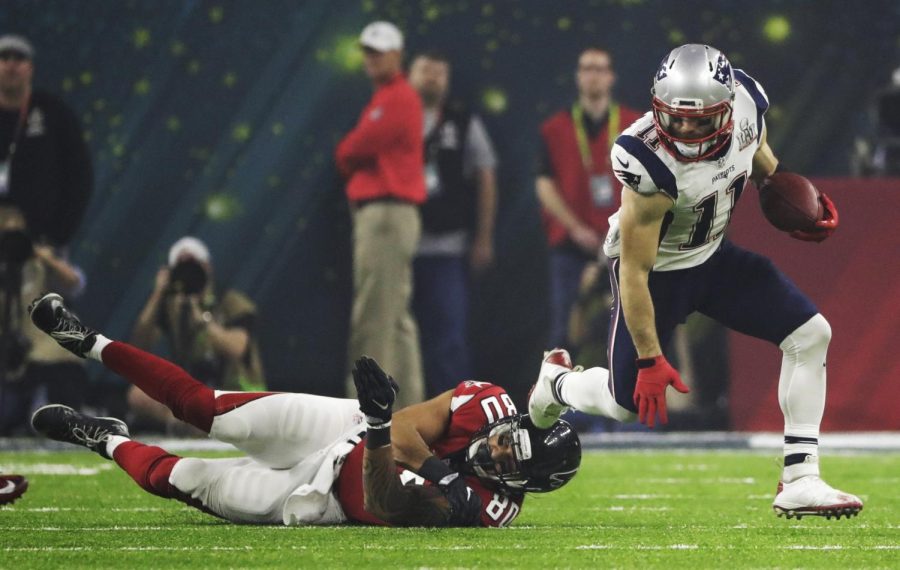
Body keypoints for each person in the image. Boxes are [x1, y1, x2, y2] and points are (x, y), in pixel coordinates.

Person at [528, 44, 862, 519]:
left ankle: (800, 478)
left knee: (811, 335)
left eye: (700, 119)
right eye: (675, 118)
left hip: (713, 259)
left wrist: (783, 189)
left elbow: (758, 150)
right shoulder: (645, 159)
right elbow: (635, 272)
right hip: (658, 277)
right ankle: (556, 383)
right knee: (625, 405)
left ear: (726, 108)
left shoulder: (747, 102)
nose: (685, 129)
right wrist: (649, 358)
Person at [28, 292, 581, 527]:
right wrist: (390, 433)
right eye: (512, 438)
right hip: (352, 427)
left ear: (520, 486)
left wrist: (396, 443)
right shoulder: (488, 404)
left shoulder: (486, 508)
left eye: (511, 462)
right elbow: (407, 430)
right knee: (209, 410)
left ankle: (103, 438)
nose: (500, 449)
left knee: (182, 478)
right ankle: (90, 341)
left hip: (325, 498)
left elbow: (386, 500)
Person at [335, 21, 425, 408]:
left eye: (379, 51)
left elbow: (351, 151)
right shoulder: (388, 97)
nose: (371, 58)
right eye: (367, 51)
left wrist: (347, 155)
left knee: (373, 319)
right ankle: (409, 412)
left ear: (398, 55)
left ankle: (364, 414)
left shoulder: (397, 98)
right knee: (396, 321)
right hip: (393, 216)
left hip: (386, 216)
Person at [536, 47, 642, 352]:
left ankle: (634, 397)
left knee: (634, 324)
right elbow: (544, 184)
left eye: (600, 69)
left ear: (611, 77)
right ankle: (559, 395)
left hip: (625, 242)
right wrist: (574, 228)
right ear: (578, 77)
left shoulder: (635, 126)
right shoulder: (554, 128)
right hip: (571, 243)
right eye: (587, 69)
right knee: (563, 329)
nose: (593, 75)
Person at [407, 50, 498, 396]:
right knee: (398, 335)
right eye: (425, 69)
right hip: (400, 244)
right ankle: (395, 413)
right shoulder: (392, 117)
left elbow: (486, 175)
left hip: (448, 247)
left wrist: (484, 238)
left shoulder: (463, 122)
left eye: (439, 72)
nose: (432, 77)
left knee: (449, 336)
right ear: (410, 74)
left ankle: (455, 411)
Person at [128, 236, 265, 432]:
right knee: (138, 394)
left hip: (235, 393)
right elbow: (138, 347)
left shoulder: (232, 301)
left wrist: (201, 318)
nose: (188, 275)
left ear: (207, 267)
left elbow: (237, 348)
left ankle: (203, 425)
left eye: (194, 267)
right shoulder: (173, 308)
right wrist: (158, 294)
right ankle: (186, 425)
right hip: (195, 397)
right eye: (182, 269)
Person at [0, 205, 87, 435]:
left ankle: (44, 412)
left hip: (42, 353)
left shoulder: (41, 262)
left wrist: (44, 258)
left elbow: (75, 284)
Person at [0, 34, 92, 247]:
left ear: (30, 68)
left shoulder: (54, 112)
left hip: (40, 243)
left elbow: (80, 177)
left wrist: (56, 237)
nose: (11, 65)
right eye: (4, 58)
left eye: (19, 59)